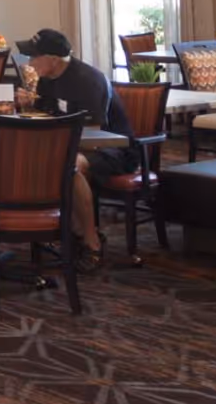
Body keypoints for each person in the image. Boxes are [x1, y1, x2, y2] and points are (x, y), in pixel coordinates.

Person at [15, 28, 140, 271]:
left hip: (115, 149)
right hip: (73, 144)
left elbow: (94, 134)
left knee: (69, 166)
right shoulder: (48, 79)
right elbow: (50, 110)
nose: (29, 63)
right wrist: (31, 104)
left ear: (52, 59)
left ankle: (91, 241)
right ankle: (67, 230)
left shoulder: (87, 80)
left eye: (34, 57)